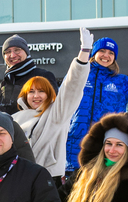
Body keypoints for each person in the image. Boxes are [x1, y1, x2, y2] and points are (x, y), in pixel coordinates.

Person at [64, 36, 128, 175]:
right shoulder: (80, 75)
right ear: (94, 53)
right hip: (76, 148)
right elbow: (62, 95)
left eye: (111, 53)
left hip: (108, 148)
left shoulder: (121, 82)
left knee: (106, 191)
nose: (106, 55)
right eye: (102, 51)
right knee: (75, 192)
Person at [11, 28, 93, 179]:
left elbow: (72, 87)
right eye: (31, 92)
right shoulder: (14, 118)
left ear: (49, 94)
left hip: (47, 178)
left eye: (41, 91)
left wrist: (83, 54)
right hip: (19, 179)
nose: (36, 96)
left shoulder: (56, 113)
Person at [0, 35, 58, 114]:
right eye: (8, 52)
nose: (13, 55)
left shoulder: (43, 76)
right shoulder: (3, 84)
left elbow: (55, 107)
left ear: (26, 52)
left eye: (17, 50)